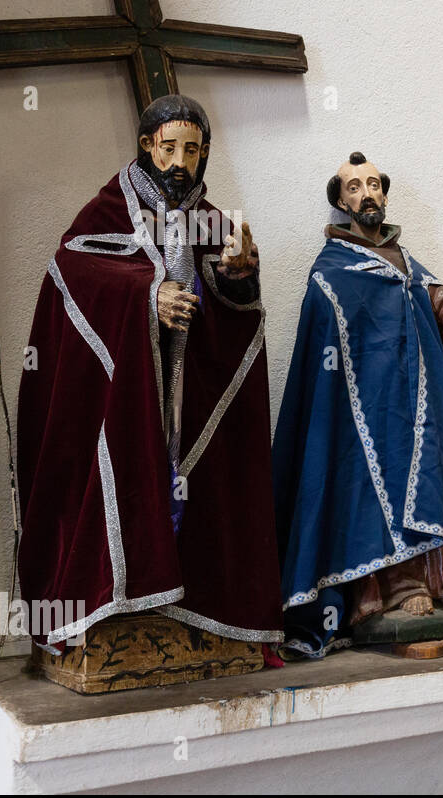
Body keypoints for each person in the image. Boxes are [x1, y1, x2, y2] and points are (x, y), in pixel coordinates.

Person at [17, 93, 283, 650]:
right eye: (169, 148)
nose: (180, 161)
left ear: (205, 152)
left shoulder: (212, 221)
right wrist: (147, 296)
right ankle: (116, 609)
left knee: (196, 486)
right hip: (124, 394)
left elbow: (236, 313)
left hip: (188, 391)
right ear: (147, 147)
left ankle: (187, 609)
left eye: (192, 149)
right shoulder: (110, 210)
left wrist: (239, 279)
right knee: (129, 479)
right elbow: (74, 269)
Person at [274, 152, 443, 657]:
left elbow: (438, 296)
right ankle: (400, 591)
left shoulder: (404, 259)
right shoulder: (332, 270)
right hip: (371, 406)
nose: (366, 193)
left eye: (373, 184)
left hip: (428, 395)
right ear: (342, 202)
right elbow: (325, 331)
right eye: (354, 187)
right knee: (386, 489)